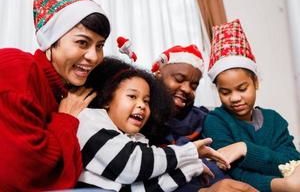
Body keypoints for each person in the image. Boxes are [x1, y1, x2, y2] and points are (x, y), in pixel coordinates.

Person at [0, 0, 110, 190]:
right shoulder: (16, 69)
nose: (94, 57)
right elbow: (18, 174)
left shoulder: (63, 91)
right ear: (50, 41)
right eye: (82, 42)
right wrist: (66, 119)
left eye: (100, 45)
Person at [76, 56, 230, 191]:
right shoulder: (90, 120)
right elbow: (132, 165)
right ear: (107, 99)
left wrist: (191, 168)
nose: (142, 105)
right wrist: (190, 152)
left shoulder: (136, 139)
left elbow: (141, 188)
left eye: (146, 101)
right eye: (132, 96)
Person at [202, 19, 300, 192]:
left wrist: (245, 148)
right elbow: (234, 174)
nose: (235, 98)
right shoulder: (215, 122)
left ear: (255, 82)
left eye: (242, 88)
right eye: (225, 92)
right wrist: (282, 185)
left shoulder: (275, 120)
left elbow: (292, 161)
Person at [147, 44, 258, 192]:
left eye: (194, 86)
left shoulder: (203, 118)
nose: (187, 89)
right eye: (179, 79)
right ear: (158, 74)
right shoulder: (142, 118)